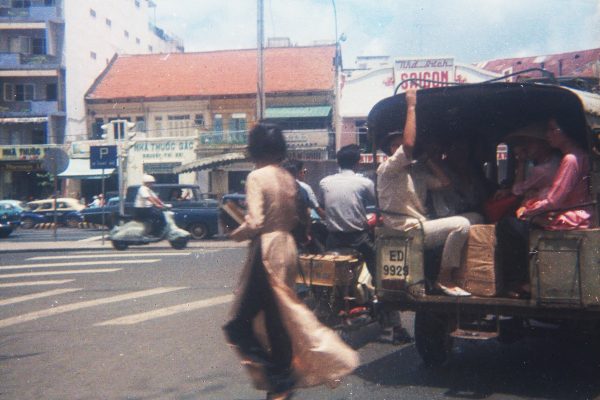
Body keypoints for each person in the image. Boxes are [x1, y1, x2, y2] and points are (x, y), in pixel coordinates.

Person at [222, 123, 358, 400]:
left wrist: (235, 234)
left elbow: (256, 221)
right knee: (277, 319)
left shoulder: (257, 176)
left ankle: (279, 380)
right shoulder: (288, 178)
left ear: (255, 148)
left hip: (267, 249)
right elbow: (300, 219)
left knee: (239, 324)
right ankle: (280, 385)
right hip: (288, 249)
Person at [377, 89, 477, 297]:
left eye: (400, 144)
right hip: (404, 229)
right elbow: (408, 145)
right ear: (390, 151)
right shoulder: (388, 169)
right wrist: (411, 106)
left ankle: (467, 274)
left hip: (419, 226)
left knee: (477, 217)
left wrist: (428, 159)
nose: (399, 149)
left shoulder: (417, 172)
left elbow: (445, 183)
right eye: (394, 146)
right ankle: (445, 277)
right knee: (461, 224)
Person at [497, 118, 592, 298]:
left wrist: (528, 211)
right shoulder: (578, 155)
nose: (548, 134)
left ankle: (520, 283)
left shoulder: (571, 159)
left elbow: (553, 200)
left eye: (552, 130)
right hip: (574, 213)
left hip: (569, 218)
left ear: (565, 132)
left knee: (508, 226)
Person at [319, 144, 377, 278]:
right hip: (359, 238)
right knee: (376, 261)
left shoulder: (325, 182)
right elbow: (376, 203)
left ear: (338, 162)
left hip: (334, 238)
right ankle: (377, 290)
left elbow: (322, 204)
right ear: (358, 163)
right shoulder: (364, 182)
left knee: (328, 272)